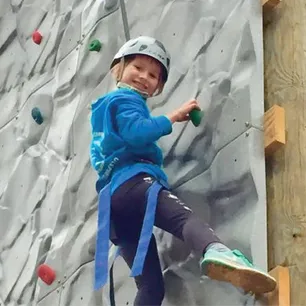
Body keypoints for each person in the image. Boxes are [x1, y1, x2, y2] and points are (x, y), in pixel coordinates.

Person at [89, 36, 276, 305]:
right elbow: (136, 132)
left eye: (153, 75)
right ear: (118, 67)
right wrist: (172, 117)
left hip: (113, 207)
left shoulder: (100, 116)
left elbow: (105, 156)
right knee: (185, 221)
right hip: (136, 185)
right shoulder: (124, 99)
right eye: (138, 68)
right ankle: (217, 251)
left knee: (151, 288)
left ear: (158, 86)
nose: (144, 77)